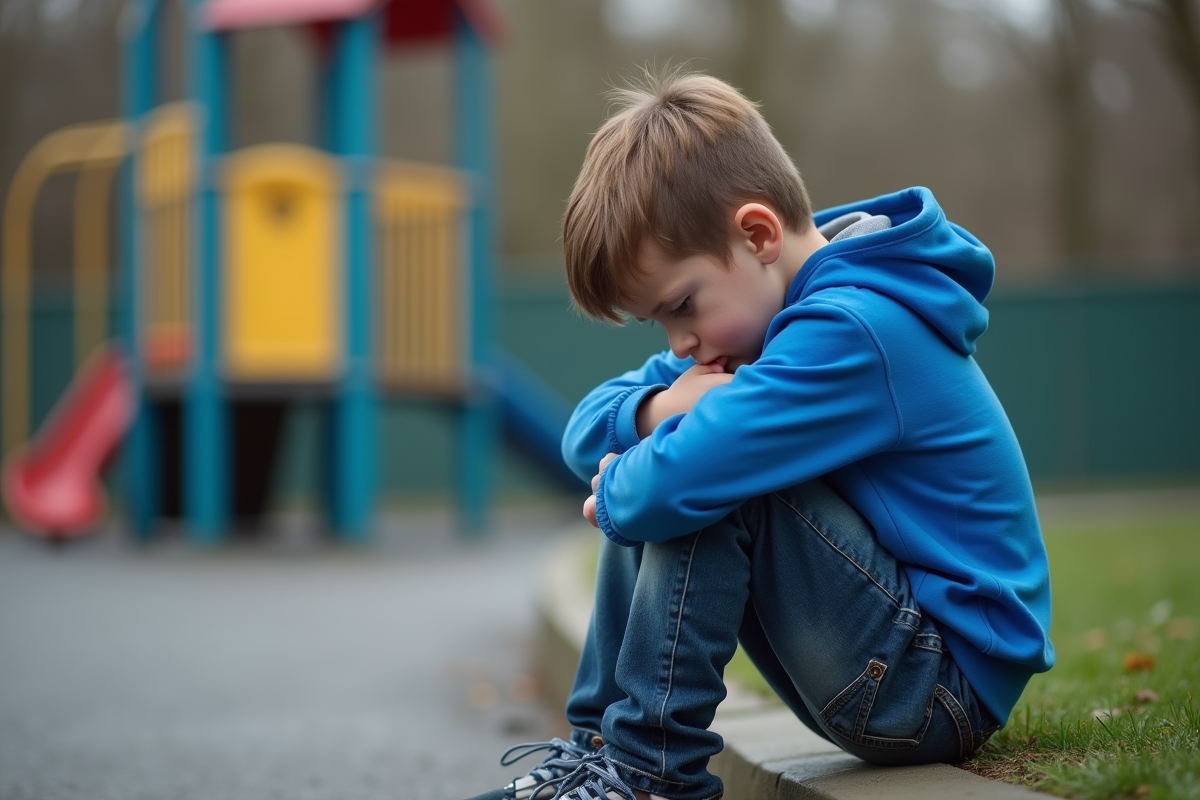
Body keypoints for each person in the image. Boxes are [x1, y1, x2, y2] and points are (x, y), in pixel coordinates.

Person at [465, 68, 1054, 800]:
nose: (680, 344)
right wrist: (655, 413)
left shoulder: (853, 330)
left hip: (936, 685)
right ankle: (597, 761)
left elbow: (681, 477)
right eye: (659, 323)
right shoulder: (751, 322)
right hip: (890, 664)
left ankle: (645, 776)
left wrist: (628, 479)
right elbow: (584, 426)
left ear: (757, 234)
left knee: (709, 475)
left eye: (681, 306)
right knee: (691, 449)